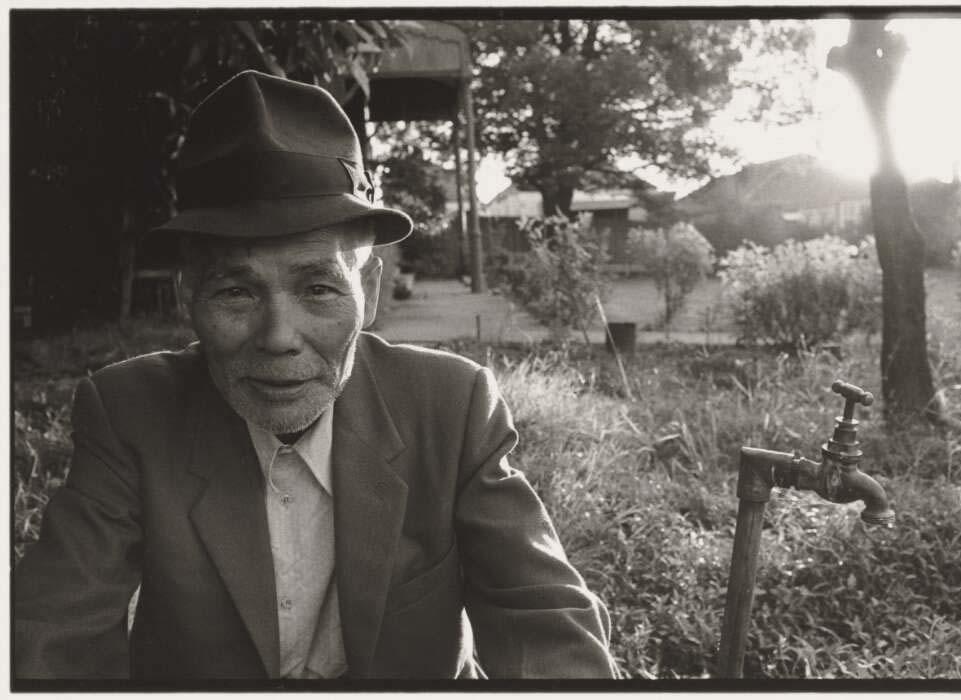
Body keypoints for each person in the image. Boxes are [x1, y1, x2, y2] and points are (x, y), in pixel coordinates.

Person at [13, 70, 617, 681]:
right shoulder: (129, 412)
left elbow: (541, 615)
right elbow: (53, 629)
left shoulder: (452, 407)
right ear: (187, 298)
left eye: (319, 287)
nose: (278, 337)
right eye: (235, 291)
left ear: (370, 291)